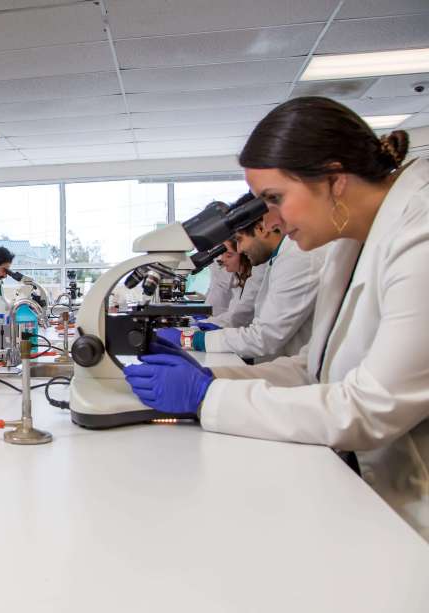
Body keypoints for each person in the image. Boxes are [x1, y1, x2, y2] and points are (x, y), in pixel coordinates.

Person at [123, 96, 429, 540]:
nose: (273, 220)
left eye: (275, 198)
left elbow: (369, 407)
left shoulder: (419, 236)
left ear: (334, 178)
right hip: (362, 489)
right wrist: (212, 375)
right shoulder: (347, 238)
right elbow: (316, 368)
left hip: (412, 511)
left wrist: (208, 397)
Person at [157, 191, 325, 362]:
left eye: (239, 239)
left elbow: (264, 337)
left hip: (291, 372)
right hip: (277, 365)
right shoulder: (278, 258)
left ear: (261, 228)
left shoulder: (297, 258)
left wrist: (192, 339)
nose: (239, 249)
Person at [200, 238, 263, 330]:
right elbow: (232, 313)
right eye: (222, 255)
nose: (222, 259)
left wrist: (209, 322)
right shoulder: (239, 282)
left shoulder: (252, 282)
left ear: (244, 256)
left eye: (229, 256)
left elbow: (238, 317)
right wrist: (208, 321)